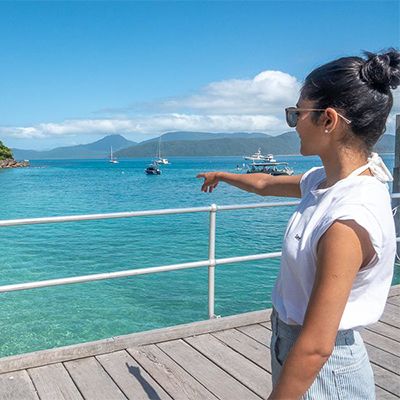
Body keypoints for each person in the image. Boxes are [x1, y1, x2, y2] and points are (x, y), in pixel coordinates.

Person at [197, 49, 399, 399]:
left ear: (328, 120)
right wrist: (223, 176)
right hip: (293, 346)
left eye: (296, 114)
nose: (292, 124)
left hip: (324, 372)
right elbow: (264, 184)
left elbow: (317, 345)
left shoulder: (347, 219)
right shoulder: (325, 181)